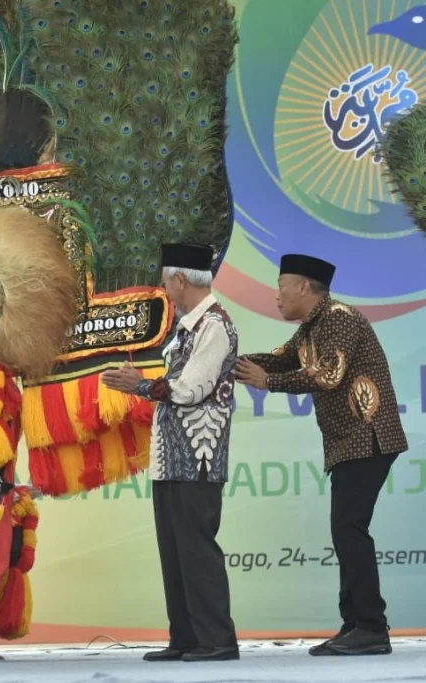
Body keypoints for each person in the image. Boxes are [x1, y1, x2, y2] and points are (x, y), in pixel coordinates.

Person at [236, 254, 407, 657]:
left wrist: (269, 383)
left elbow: (329, 374)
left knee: (349, 529)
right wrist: (231, 363)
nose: (276, 295)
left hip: (370, 436)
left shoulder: (339, 318)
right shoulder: (312, 327)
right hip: (349, 442)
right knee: (346, 530)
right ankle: (356, 625)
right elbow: (278, 358)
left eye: (281, 286)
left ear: (303, 286)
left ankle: (369, 626)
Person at [102, 243, 240, 663]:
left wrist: (139, 385)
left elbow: (190, 388)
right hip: (172, 457)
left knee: (196, 548)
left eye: (165, 281)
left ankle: (217, 640)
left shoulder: (214, 325)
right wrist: (145, 384)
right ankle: (186, 638)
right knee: (175, 550)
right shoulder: (188, 327)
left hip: (198, 456)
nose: (165, 289)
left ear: (180, 280)